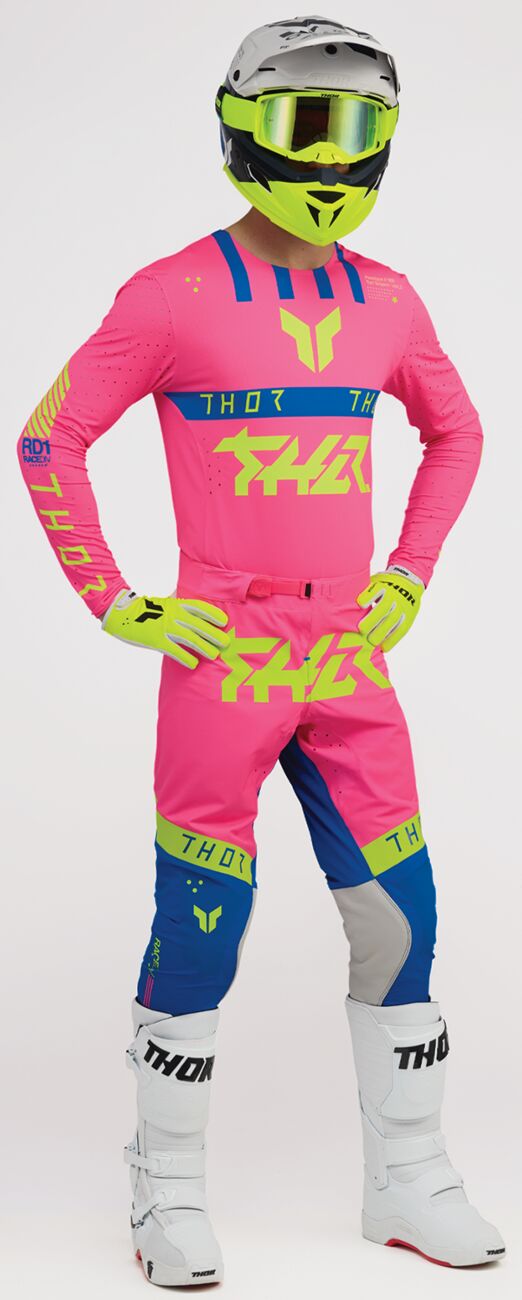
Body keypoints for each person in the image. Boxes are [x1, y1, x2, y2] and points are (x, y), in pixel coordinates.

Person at [18, 13, 505, 1286]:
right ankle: (165, 1190)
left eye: (360, 128)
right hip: (225, 651)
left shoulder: (390, 298)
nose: (333, 158)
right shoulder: (169, 295)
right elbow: (48, 438)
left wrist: (409, 573)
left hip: (347, 651)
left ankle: (410, 1179)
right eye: (306, 125)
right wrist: (112, 598)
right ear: (242, 127)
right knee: (204, 919)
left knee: (404, 916)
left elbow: (458, 431)